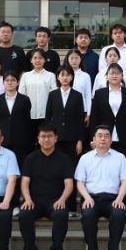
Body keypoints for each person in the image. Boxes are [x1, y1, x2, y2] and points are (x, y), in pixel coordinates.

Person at [75, 125, 126, 250]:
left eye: (107, 136)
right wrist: (87, 197)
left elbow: (125, 181)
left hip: (113, 199)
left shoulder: (120, 157)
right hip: (91, 198)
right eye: (99, 135)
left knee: (119, 215)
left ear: (111, 140)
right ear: (94, 139)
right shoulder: (85, 158)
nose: (103, 139)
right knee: (88, 216)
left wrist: (119, 199)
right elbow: (80, 182)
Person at [18, 123, 74, 250]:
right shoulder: (30, 158)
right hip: (34, 200)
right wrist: (27, 199)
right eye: (43, 136)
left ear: (56, 138)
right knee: (24, 214)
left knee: (61, 214)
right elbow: (24, 182)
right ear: (38, 139)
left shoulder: (64, 159)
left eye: (50, 136)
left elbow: (69, 184)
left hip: (56, 200)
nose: (46, 139)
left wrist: (62, 200)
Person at [45, 65, 85, 214]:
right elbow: (48, 118)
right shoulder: (53, 95)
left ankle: (72, 207)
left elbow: (80, 120)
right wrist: (49, 138)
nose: (65, 77)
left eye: (68, 75)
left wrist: (80, 140)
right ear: (57, 77)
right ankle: (58, 203)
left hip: (72, 140)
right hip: (56, 139)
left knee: (71, 172)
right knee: (57, 171)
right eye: (62, 74)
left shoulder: (77, 95)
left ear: (72, 77)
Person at [0, 71, 33, 211]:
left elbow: (27, 122)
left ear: (18, 82)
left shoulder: (24, 100)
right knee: (2, 170)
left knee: (16, 171)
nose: (10, 82)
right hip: (2, 141)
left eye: (13, 80)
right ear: (3, 83)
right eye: (7, 80)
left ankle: (15, 202)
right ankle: (2, 200)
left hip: (19, 141)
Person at [89, 63, 126, 163]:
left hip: (124, 136)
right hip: (104, 137)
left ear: (122, 76)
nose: (114, 76)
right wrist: (92, 138)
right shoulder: (99, 94)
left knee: (123, 164)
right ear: (106, 76)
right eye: (112, 73)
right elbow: (94, 118)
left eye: (117, 73)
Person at [19, 48, 56, 141]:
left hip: (45, 115)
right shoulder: (25, 76)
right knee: (30, 141)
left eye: (40, 58)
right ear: (31, 60)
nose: (38, 60)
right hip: (29, 115)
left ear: (44, 60)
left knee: (45, 141)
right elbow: (21, 96)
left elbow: (54, 96)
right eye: (35, 58)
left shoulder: (51, 76)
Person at [64, 49, 92, 124]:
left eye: (76, 58)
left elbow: (88, 96)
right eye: (71, 58)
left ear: (80, 59)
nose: (74, 61)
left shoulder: (85, 76)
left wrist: (89, 114)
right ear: (67, 59)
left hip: (82, 109)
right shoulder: (63, 75)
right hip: (66, 109)